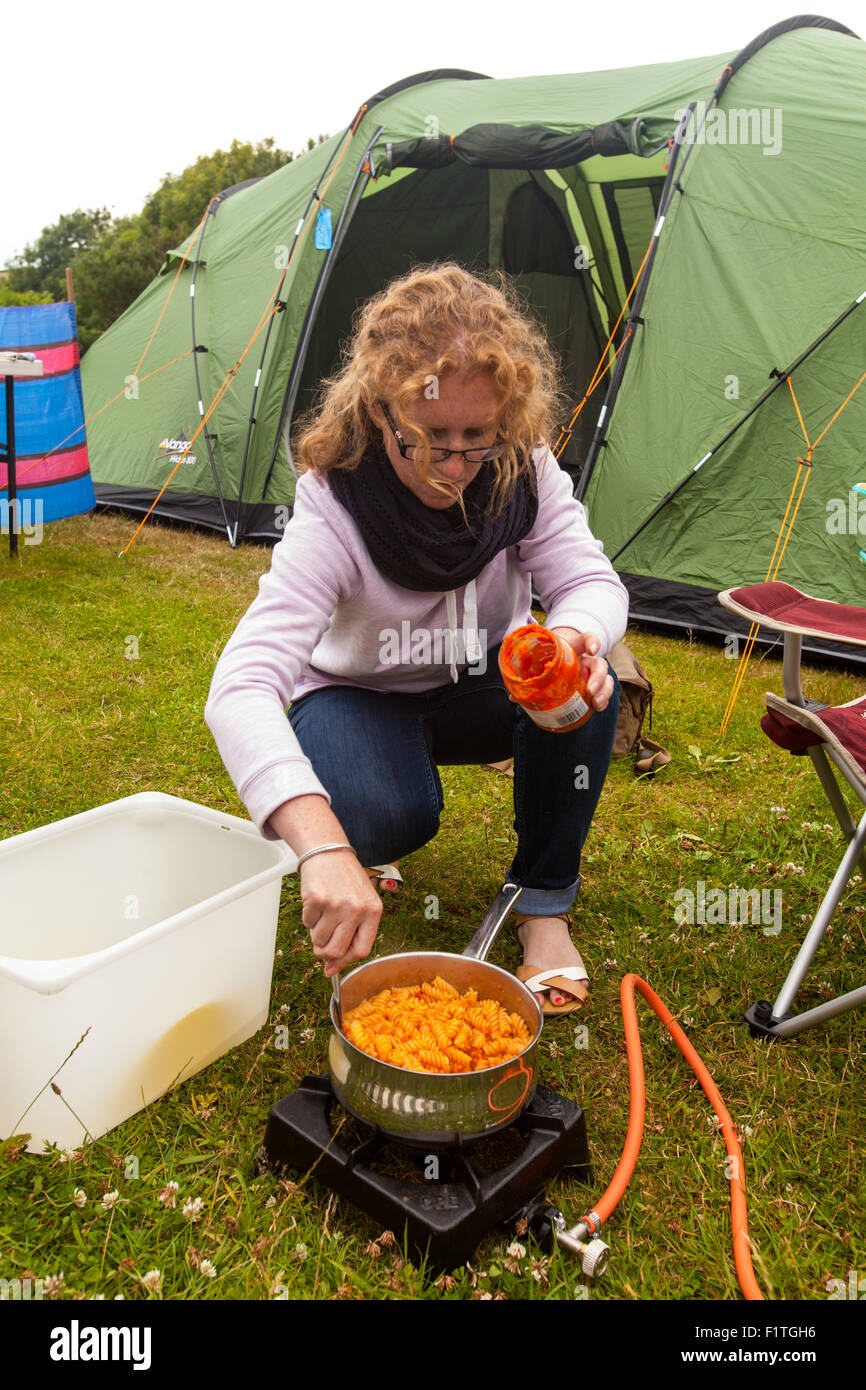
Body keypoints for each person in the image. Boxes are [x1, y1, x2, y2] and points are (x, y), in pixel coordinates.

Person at [204, 263, 628, 1016]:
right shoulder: (335, 503)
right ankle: (369, 829)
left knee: (585, 691)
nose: (455, 466)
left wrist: (572, 638)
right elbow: (241, 684)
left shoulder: (524, 473)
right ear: (380, 408)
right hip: (357, 696)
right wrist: (324, 845)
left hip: (479, 685)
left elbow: (592, 582)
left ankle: (543, 909)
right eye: (429, 437)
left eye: (478, 439)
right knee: (377, 814)